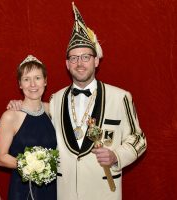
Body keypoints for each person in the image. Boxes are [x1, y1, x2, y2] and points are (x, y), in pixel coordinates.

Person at [8, 2, 147, 200]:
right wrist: (19, 104)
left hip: (104, 191)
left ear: (96, 60)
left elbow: (139, 138)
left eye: (85, 57)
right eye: (73, 58)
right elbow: (37, 110)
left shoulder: (121, 97)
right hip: (64, 193)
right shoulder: (56, 99)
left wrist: (117, 156)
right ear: (67, 64)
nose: (79, 63)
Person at [0, 55, 57, 200]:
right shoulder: (11, 116)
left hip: (52, 189)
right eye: (26, 79)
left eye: (37, 78)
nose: (32, 84)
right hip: (22, 191)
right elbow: (0, 157)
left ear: (45, 81)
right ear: (20, 84)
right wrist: (32, 166)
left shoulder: (53, 110)